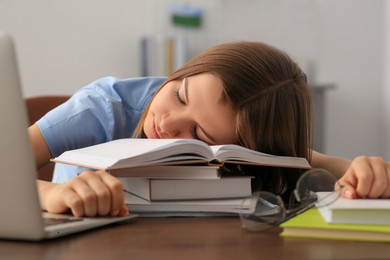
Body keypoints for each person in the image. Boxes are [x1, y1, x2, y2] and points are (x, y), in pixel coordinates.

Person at [28, 41, 390, 218]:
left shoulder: (255, 154)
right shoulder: (103, 107)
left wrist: (364, 172)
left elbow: (307, 161)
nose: (166, 124)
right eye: (180, 95)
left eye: (200, 136)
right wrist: (49, 197)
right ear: (187, 69)